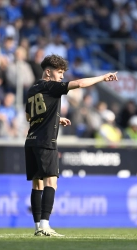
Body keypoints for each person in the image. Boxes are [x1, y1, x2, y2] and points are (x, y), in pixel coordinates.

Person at [24, 54, 118, 237]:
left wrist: (56, 119)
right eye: (59, 73)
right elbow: (80, 84)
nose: (61, 77)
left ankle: (38, 227)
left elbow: (30, 117)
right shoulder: (51, 86)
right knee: (51, 181)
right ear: (48, 72)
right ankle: (46, 225)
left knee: (37, 184)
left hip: (31, 141)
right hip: (46, 141)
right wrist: (103, 77)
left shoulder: (32, 89)